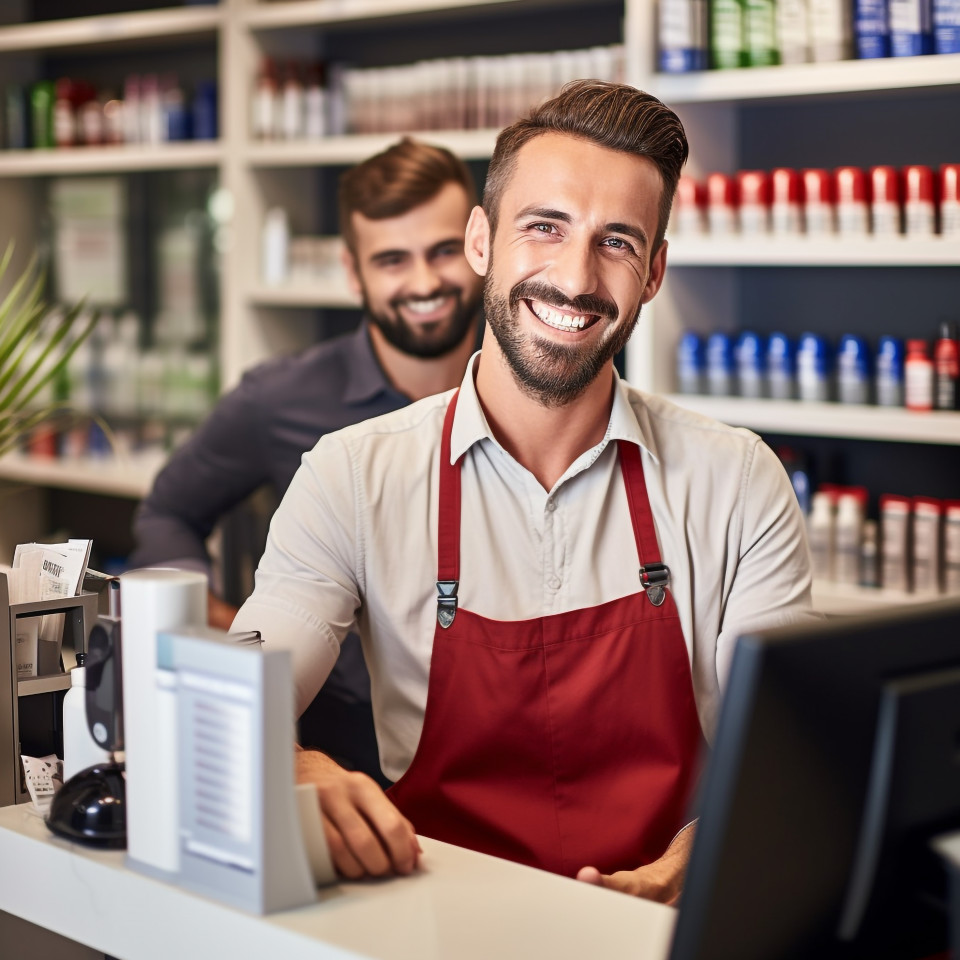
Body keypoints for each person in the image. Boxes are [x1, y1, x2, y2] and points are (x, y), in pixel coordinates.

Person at [231, 80, 815, 901]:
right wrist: (289, 762)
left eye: (617, 242)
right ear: (482, 241)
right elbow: (238, 695)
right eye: (545, 227)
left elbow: (791, 750)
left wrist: (720, 841)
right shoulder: (353, 475)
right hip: (432, 926)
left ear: (653, 273)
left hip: (657, 932)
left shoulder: (738, 479)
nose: (575, 279)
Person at [130, 138, 484, 783]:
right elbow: (167, 512)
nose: (425, 282)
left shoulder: (537, 386)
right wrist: (222, 622)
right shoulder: (280, 398)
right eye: (392, 260)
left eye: (442, 251)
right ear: (354, 273)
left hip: (495, 737)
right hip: (342, 752)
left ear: (481, 246)